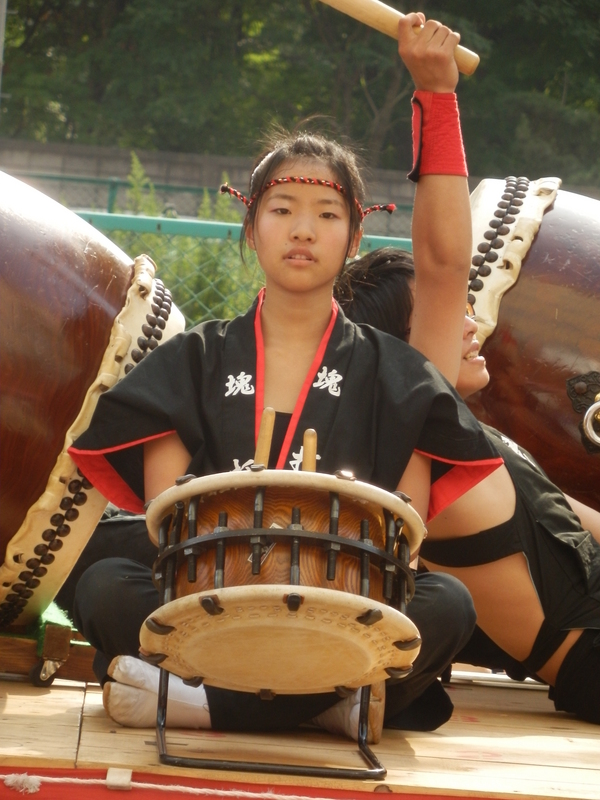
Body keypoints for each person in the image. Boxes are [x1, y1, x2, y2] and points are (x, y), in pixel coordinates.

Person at [67, 13, 500, 741]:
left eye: (327, 213)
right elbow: (169, 531)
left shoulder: (398, 377)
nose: (303, 230)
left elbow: (401, 544)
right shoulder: (192, 361)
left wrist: (437, 95)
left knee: (447, 604)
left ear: (356, 235)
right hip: (209, 612)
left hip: (344, 617)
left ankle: (204, 707)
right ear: (252, 226)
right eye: (283, 209)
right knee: (107, 584)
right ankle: (333, 708)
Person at [337, 246, 600, 723]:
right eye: (444, 315)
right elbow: (445, 245)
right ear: (397, 349)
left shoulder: (479, 441)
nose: (472, 324)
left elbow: (583, 520)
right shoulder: (420, 459)